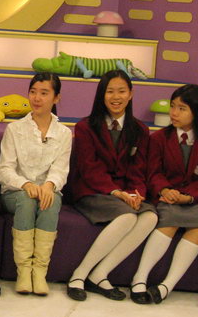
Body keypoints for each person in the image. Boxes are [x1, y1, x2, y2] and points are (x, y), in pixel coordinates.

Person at [67, 69, 157, 301]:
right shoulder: (86, 127)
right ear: (102, 95)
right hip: (92, 190)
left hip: (125, 193)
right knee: (127, 217)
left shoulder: (140, 130)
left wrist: (137, 194)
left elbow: (138, 169)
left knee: (150, 216)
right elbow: (89, 169)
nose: (116, 97)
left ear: (131, 94)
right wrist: (117, 192)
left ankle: (100, 274)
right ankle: (79, 274)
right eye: (110, 92)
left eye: (121, 91)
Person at [129, 84, 198, 304]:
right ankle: (139, 278)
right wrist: (165, 190)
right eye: (172, 106)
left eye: (182, 108)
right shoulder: (158, 139)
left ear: (197, 112)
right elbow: (153, 173)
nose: (174, 113)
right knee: (168, 219)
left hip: (197, 200)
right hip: (166, 197)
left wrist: (188, 197)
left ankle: (166, 286)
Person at [0, 72, 71, 295]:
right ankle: (24, 271)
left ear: (56, 98)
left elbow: (60, 170)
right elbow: (4, 170)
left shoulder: (64, 133)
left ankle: (39, 272)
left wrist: (49, 185)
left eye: (44, 93)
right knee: (27, 200)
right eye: (33, 92)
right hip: (15, 192)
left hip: (46, 191)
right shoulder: (15, 129)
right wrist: (26, 184)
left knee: (51, 200)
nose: (37, 98)